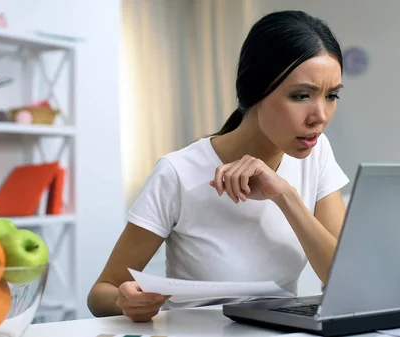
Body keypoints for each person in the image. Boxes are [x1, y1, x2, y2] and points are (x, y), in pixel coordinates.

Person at [87, 9, 349, 323]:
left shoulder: (317, 154)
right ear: (256, 90)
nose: (320, 116)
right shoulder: (178, 172)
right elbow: (101, 292)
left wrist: (285, 196)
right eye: (301, 95)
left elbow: (345, 280)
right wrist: (125, 299)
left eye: (331, 95)